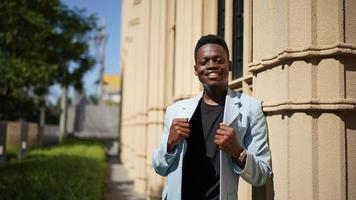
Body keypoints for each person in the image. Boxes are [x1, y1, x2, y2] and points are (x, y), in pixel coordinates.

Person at [152, 34, 272, 200]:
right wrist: (170, 143)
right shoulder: (176, 111)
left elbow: (262, 176)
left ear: (229, 65)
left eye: (218, 60)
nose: (211, 66)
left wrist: (238, 152)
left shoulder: (251, 109)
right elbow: (159, 167)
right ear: (196, 70)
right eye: (204, 62)